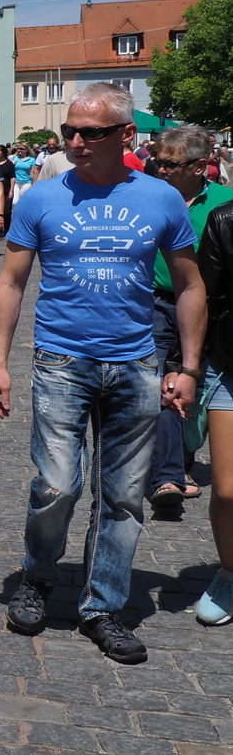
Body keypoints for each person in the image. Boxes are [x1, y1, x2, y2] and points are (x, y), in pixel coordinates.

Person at [0, 83, 204, 663]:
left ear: (126, 136)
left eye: (91, 132)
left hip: (134, 363)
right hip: (61, 360)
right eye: (69, 132)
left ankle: (104, 605)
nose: (77, 142)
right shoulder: (42, 198)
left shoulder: (162, 199)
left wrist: (187, 366)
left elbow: (189, 285)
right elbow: (9, 282)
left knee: (125, 497)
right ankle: (38, 575)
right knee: (56, 485)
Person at [146, 128, 232, 509]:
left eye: (170, 164)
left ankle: (188, 459)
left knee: (203, 383)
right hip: (159, 304)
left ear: (201, 166)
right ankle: (170, 474)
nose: (161, 170)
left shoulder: (225, 202)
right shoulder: (147, 198)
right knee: (166, 380)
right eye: (157, 162)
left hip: (215, 310)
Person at [190, 193, 233, 623]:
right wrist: (189, 366)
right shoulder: (224, 220)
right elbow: (206, 296)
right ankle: (230, 572)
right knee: (227, 488)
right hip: (229, 365)